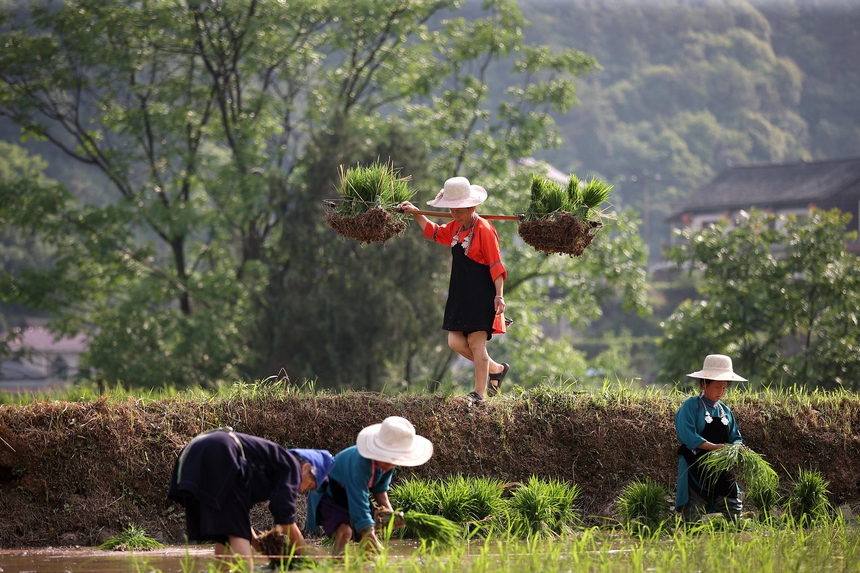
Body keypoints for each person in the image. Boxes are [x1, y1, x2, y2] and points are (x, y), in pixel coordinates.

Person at [399, 176, 510, 401]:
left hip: (482, 294)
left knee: (477, 344)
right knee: (455, 342)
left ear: (472, 207)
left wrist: (499, 295)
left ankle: (479, 393)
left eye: (458, 210)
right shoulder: (455, 228)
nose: (454, 214)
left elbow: (496, 265)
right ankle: (496, 369)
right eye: (451, 209)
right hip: (460, 294)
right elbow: (434, 232)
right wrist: (416, 212)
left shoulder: (485, 230)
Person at [167, 427, 334, 561]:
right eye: (309, 485)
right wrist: (302, 548)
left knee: (225, 533)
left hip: (192, 454)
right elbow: (283, 510)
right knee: (237, 534)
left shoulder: (271, 467)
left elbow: (236, 517)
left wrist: (258, 544)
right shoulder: (290, 464)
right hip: (220, 453)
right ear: (305, 468)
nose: (301, 491)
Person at [305, 416, 433, 554]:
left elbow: (380, 491)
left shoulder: (390, 464)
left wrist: (392, 515)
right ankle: (337, 565)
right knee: (345, 531)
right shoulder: (360, 463)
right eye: (389, 457)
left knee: (377, 522)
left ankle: (366, 564)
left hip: (349, 495)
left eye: (395, 458)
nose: (391, 464)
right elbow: (358, 499)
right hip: (329, 493)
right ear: (379, 450)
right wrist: (370, 537)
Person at [675, 354, 746, 522]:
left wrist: (736, 447)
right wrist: (715, 447)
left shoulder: (725, 411)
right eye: (717, 387)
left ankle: (735, 541)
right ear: (704, 383)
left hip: (720, 467)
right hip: (695, 466)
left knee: (734, 507)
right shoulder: (691, 406)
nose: (721, 392)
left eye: (724, 387)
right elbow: (688, 436)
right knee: (692, 515)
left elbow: (736, 436)